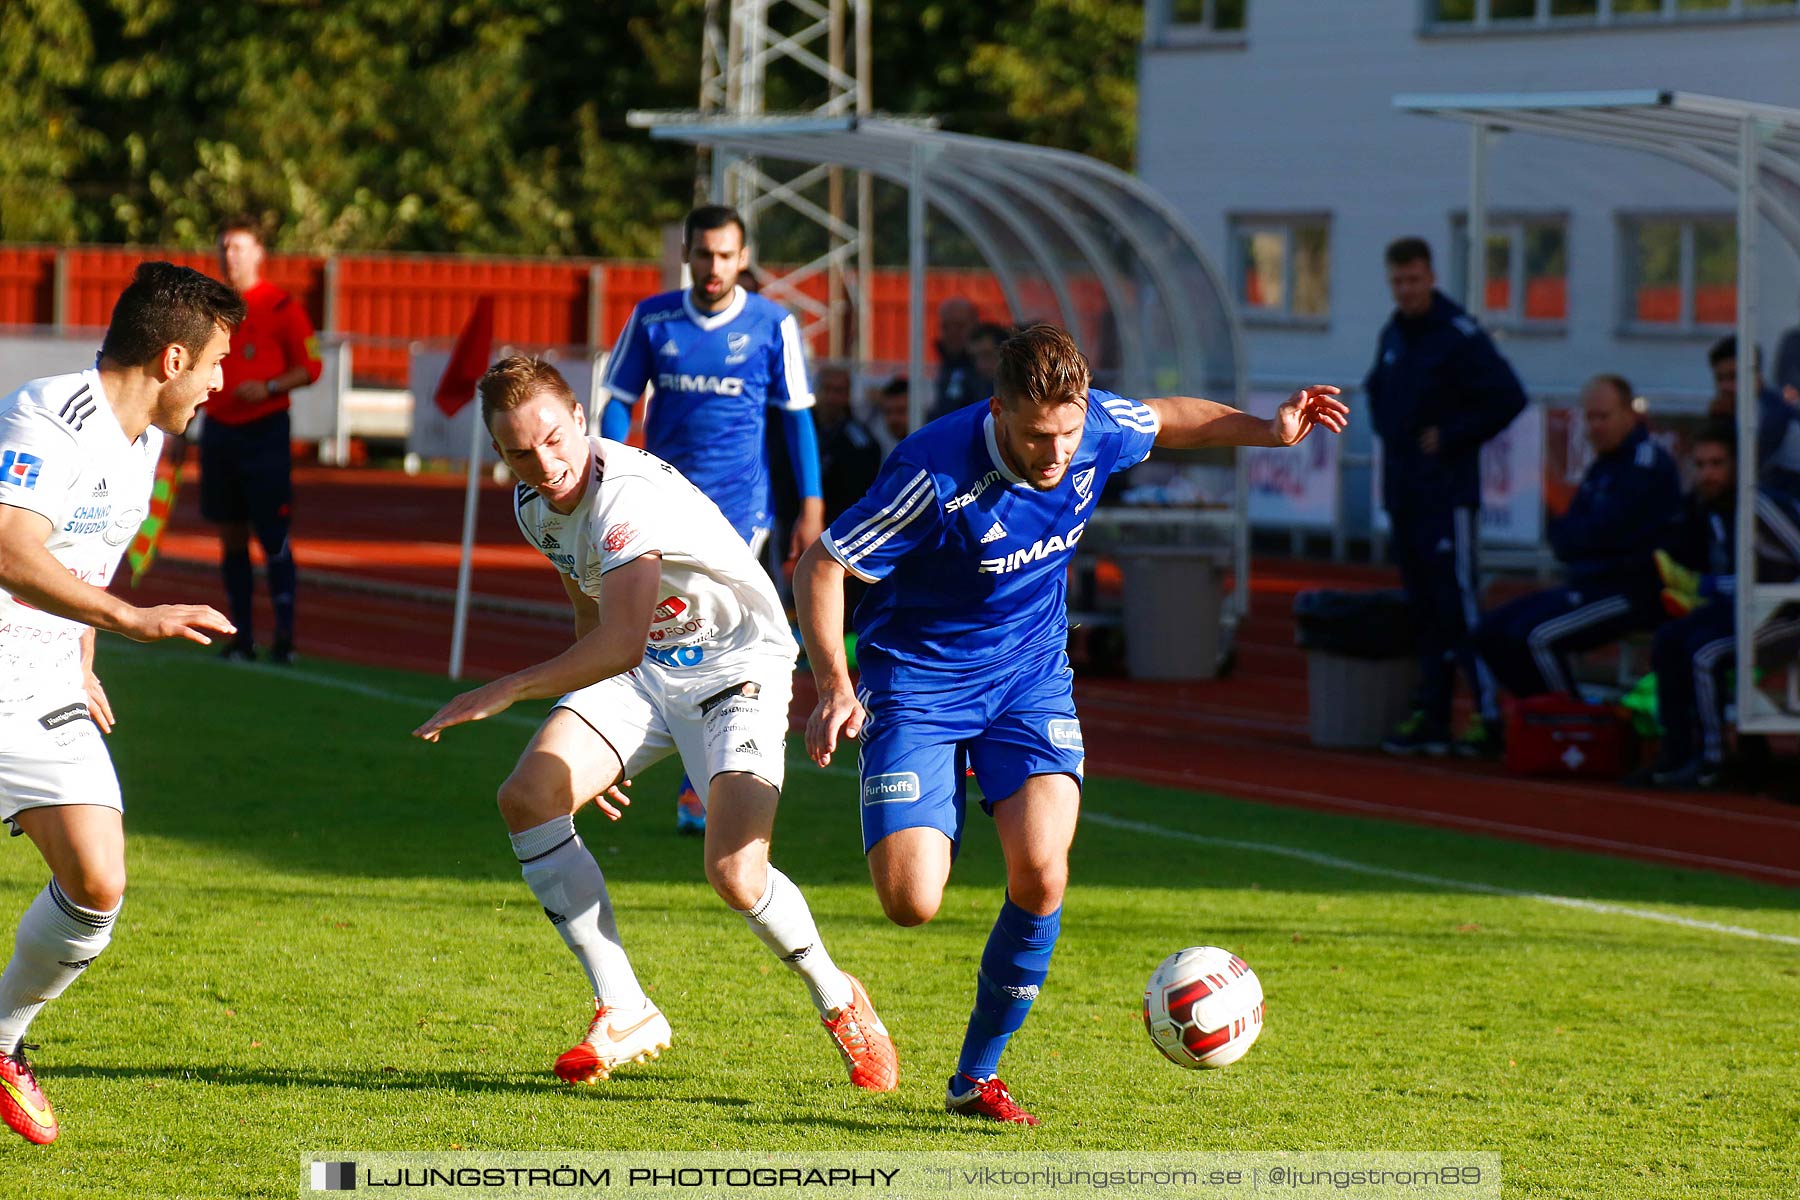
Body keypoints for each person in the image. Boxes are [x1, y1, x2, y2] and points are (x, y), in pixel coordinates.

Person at [792, 324, 1346, 1125]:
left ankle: (975, 1078)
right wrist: (833, 685)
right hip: (919, 682)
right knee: (911, 903)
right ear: (999, 410)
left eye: (1069, 433)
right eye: (1036, 436)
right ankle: (940, 783)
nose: (1055, 454)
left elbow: (1169, 417)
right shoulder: (933, 470)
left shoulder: (1099, 430)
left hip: (1029, 680)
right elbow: (824, 563)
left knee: (1043, 873)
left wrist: (1267, 430)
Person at [414, 356, 895, 1095]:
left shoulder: (624, 496)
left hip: (737, 668)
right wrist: (598, 745)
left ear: (581, 419)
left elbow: (623, 638)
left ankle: (839, 998)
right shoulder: (532, 505)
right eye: (517, 451)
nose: (542, 464)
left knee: (736, 874)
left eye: (551, 439)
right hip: (640, 675)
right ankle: (624, 1006)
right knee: (531, 796)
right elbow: (594, 623)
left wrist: (510, 688)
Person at [0, 262, 243, 1144]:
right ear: (174, 357)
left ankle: (0, 1040)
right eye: (217, 363)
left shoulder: (147, 443)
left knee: (98, 880)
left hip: (41, 683)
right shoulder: (48, 414)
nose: (222, 383)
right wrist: (129, 620)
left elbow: (82, 563)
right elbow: (12, 549)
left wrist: (85, 650)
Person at [601, 204, 824, 836]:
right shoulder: (653, 318)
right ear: (689, 256)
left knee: (723, 634)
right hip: (659, 499)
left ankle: (699, 782)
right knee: (649, 627)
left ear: (743, 257)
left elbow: (797, 418)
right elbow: (618, 401)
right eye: (704, 254)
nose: (714, 266)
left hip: (739, 509)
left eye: (727, 255)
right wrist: (609, 472)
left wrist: (811, 507)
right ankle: (619, 746)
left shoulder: (772, 323)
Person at [1366, 237, 1527, 758]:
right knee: (1424, 610)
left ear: (1431, 277)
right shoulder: (1393, 333)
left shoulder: (1458, 335)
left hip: (1447, 494)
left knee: (1458, 605)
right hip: (1405, 491)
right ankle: (1433, 716)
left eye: (1414, 279)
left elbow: (1509, 395)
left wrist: (1454, 435)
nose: (1406, 290)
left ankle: (1489, 715)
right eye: (1397, 281)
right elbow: (1376, 391)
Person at [1471, 374, 1682, 703]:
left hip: (1630, 591)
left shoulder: (1645, 465)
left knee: (1535, 636)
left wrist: (1581, 538)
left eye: (1603, 416)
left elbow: (1603, 531)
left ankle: (1568, 722)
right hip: (1589, 583)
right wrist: (1579, 538)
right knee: (1491, 630)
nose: (1594, 426)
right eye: (1589, 416)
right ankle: (1537, 718)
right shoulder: (1604, 466)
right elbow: (1569, 535)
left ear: (1629, 415)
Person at [203, 216, 322, 665]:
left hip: (265, 432)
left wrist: (270, 386)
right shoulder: (210, 306)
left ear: (258, 253)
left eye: (238, 247)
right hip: (220, 432)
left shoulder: (281, 305)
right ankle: (242, 637)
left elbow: (311, 367)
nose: (229, 256)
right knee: (230, 533)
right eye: (224, 247)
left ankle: (285, 639)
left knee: (272, 535)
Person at [812, 364, 882, 525]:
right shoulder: (801, 430)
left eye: (839, 391)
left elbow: (860, 488)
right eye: (826, 389)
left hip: (838, 521)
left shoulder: (859, 441)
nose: (831, 397)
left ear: (848, 395)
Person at [932, 297, 980, 416]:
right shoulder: (946, 364)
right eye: (946, 327)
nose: (952, 333)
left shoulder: (985, 367)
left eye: (959, 326)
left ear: (975, 326)